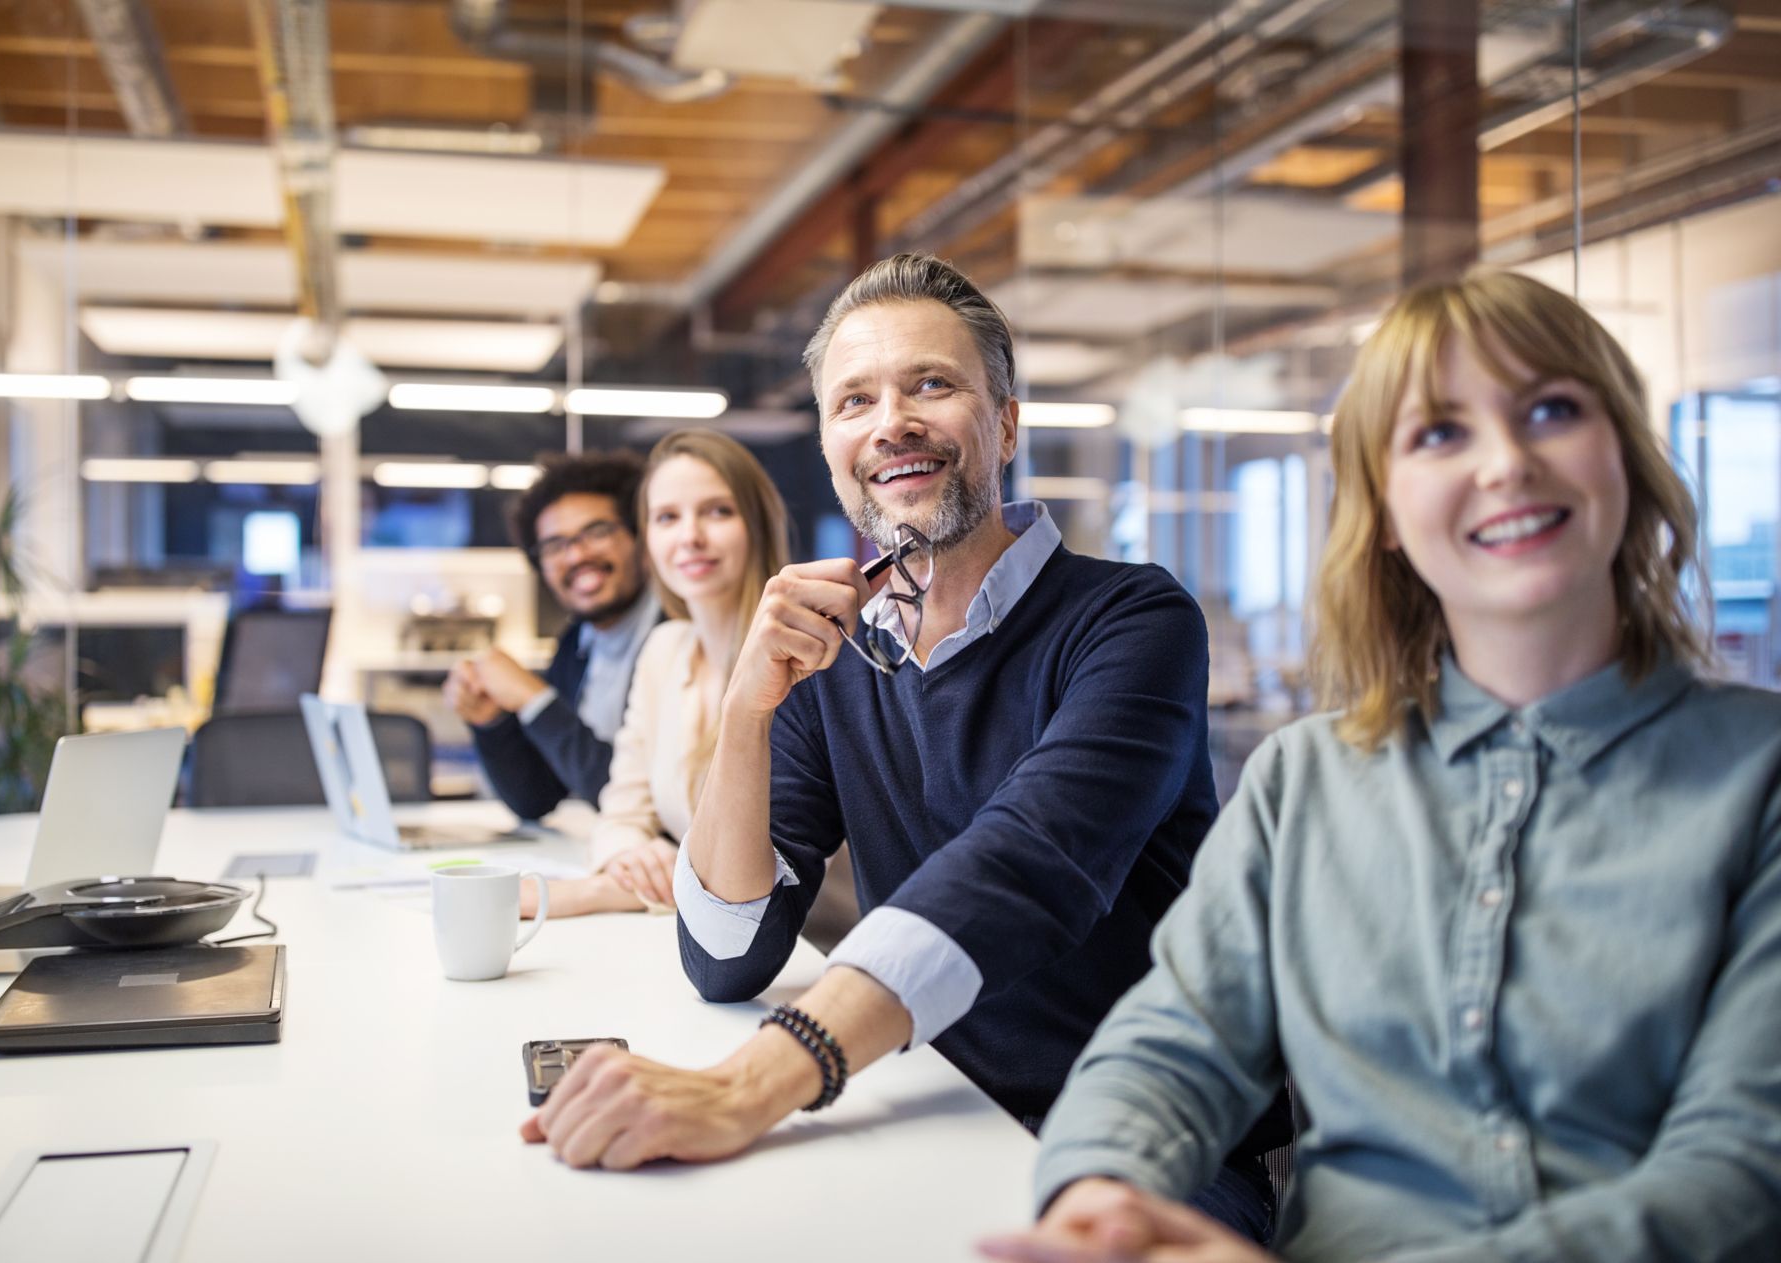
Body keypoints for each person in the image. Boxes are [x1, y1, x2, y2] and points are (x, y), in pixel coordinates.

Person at [981, 271, 1781, 1263]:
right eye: (1439, 433)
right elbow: (1176, 1042)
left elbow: (1738, 1175)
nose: (1508, 464)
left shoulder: (1762, 778)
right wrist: (1101, 1194)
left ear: (1621, 447)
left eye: (1553, 409)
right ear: (1388, 512)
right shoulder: (1303, 782)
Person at [520, 253, 1282, 1242]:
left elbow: (1026, 865)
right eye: (855, 402)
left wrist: (753, 1084)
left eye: (933, 384)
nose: (893, 423)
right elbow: (725, 955)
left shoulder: (1130, 618)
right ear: (835, 449)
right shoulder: (831, 652)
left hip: (1141, 1140)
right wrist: (748, 712)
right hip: (930, 1103)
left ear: (1005, 421)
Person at [525, 429, 792, 918]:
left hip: (810, 951)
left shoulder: (802, 657)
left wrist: (594, 892)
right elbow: (622, 811)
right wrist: (626, 854)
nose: (690, 536)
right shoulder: (665, 651)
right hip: (707, 941)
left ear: (758, 524)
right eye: (667, 517)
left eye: (718, 511)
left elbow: (767, 870)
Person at [446, 451, 664, 819]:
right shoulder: (577, 645)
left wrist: (535, 700)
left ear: (640, 538)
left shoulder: (677, 634)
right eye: (554, 546)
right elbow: (538, 797)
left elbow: (640, 796)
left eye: (596, 532)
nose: (576, 555)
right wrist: (493, 722)